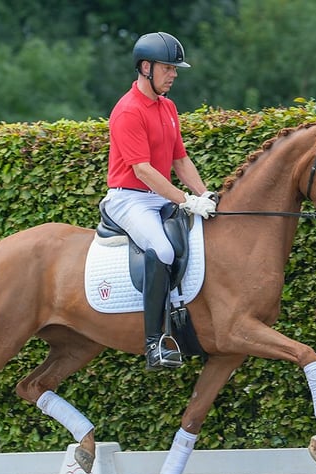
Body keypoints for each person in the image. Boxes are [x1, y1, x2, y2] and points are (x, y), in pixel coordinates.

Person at [100, 31, 217, 371]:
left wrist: (203, 194)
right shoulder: (127, 111)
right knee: (163, 250)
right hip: (129, 199)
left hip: (158, 196)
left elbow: (180, 159)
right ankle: (155, 343)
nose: (175, 74)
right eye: (169, 68)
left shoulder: (168, 106)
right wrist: (185, 200)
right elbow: (144, 170)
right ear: (146, 67)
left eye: (175, 68)